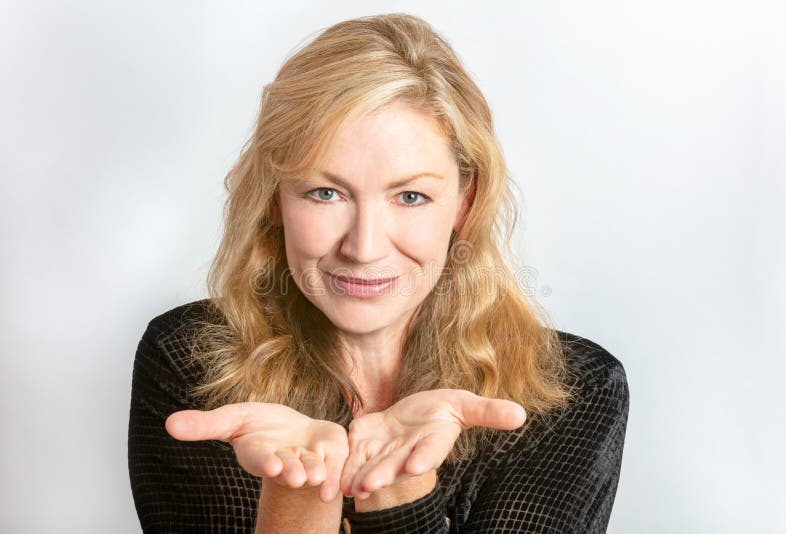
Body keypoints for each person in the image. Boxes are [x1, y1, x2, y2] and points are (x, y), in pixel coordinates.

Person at [128, 12, 629, 534]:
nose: (364, 249)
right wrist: (297, 494)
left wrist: (397, 487)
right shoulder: (190, 361)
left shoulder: (571, 390)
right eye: (325, 193)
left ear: (465, 201)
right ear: (274, 200)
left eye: (410, 196)